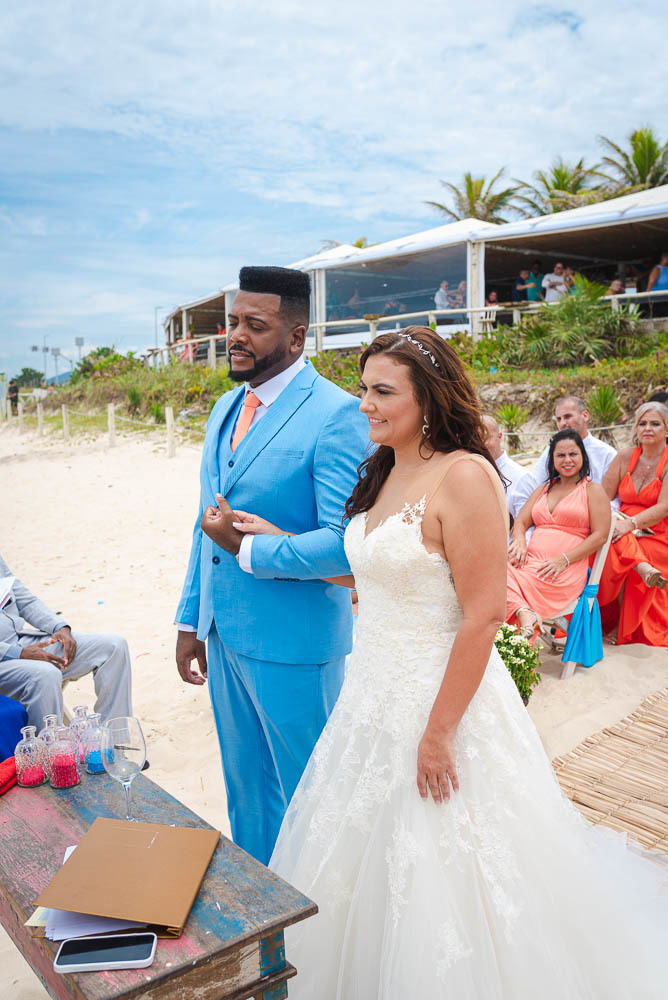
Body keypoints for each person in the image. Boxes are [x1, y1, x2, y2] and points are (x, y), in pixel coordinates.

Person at [262, 328, 668, 999]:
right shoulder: (383, 469)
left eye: (382, 391)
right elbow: (378, 574)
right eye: (363, 389)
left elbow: (481, 614)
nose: (364, 404)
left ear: (427, 399)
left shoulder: (465, 476)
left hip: (440, 699)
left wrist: (439, 732)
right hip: (370, 698)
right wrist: (280, 543)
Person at [175, 265, 368, 866]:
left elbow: (346, 547)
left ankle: (318, 916)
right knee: (249, 799)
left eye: (255, 326)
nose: (236, 335)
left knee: (313, 801)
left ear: (296, 335)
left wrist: (250, 550)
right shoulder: (224, 407)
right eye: (233, 321)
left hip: (296, 645)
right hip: (224, 636)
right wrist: (191, 620)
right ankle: (266, 914)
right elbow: (207, 523)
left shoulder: (337, 414)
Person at [0, 552, 132, 729]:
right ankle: (50, 746)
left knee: (113, 646)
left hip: (22, 640)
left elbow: (24, 599)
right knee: (45, 674)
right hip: (6, 658)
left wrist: (59, 627)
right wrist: (19, 653)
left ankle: (115, 739)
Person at [506, 430, 610, 638]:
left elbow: (600, 536)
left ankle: (523, 621)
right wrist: (519, 541)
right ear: (552, 459)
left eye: (573, 454)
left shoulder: (593, 490)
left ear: (583, 456)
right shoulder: (545, 489)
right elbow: (521, 522)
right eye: (560, 455)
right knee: (491, 572)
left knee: (502, 580)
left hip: (561, 570)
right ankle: (524, 613)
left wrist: (563, 560)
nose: (567, 460)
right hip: (530, 562)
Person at [597, 402, 668, 646]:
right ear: (636, 428)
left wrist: (631, 524)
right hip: (621, 524)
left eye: (655, 424)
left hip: (657, 531)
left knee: (636, 548)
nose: (647, 428)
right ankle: (642, 569)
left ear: (666, 429)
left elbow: (664, 507)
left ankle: (624, 624)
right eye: (642, 423)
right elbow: (603, 496)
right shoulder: (625, 456)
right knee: (605, 544)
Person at [509, 396, 616, 517]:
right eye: (559, 419)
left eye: (568, 417)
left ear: (585, 415)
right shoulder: (551, 451)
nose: (562, 423)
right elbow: (536, 483)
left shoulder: (606, 454)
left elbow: (614, 500)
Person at [481, 414, 525, 499]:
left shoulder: (520, 478)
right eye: (475, 438)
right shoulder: (470, 475)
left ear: (499, 437)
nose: (480, 444)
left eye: (485, 437)